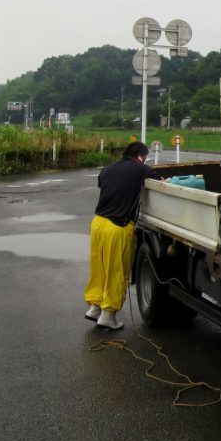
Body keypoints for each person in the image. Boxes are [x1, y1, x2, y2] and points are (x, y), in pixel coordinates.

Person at [83, 141, 162, 330]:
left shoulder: (108, 169)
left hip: (98, 223)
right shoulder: (141, 169)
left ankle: (95, 307)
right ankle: (108, 315)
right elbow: (160, 181)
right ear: (141, 156)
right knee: (116, 270)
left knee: (99, 268)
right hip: (117, 227)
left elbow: (102, 185)